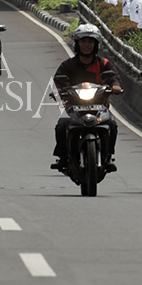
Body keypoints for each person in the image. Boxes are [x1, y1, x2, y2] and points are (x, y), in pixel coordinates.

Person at [51, 23, 123, 173]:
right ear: (77, 43)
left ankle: (108, 156)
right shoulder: (68, 65)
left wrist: (115, 86)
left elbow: (114, 78)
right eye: (83, 41)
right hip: (73, 107)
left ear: (96, 44)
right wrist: (58, 90)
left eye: (90, 42)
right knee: (61, 124)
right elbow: (58, 80)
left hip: (99, 108)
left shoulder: (104, 64)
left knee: (113, 125)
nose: (86, 45)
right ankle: (63, 157)